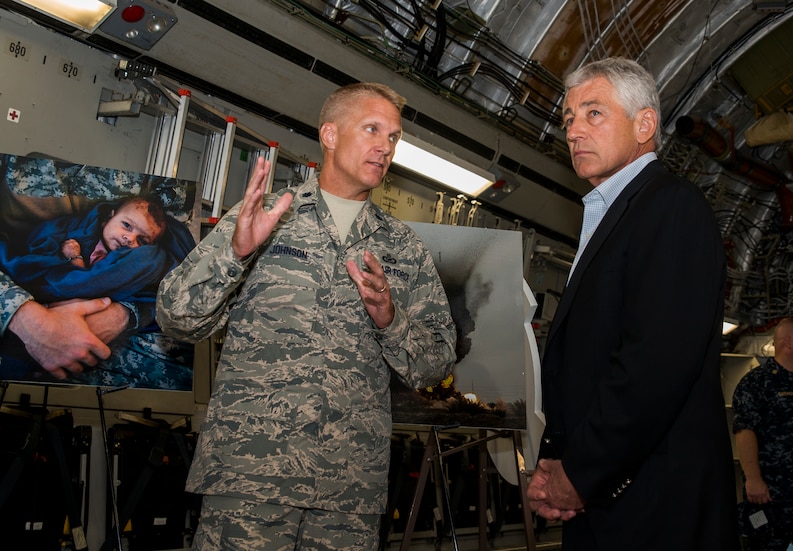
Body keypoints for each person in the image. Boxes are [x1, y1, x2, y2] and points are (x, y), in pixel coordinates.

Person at [155, 82, 457, 550]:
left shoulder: (402, 247)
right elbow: (176, 318)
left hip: (347, 490)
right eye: (372, 129)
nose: (385, 146)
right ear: (330, 135)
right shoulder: (268, 217)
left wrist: (390, 318)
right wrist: (233, 256)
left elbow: (435, 363)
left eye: (394, 137)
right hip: (250, 477)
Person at [525, 57, 739, 550]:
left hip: (654, 510)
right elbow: (588, 363)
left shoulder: (671, 206)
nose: (574, 130)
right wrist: (557, 460)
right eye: (568, 119)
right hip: (610, 502)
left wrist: (581, 474)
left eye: (593, 113)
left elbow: (653, 365)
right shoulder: (613, 215)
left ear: (645, 124)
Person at [0, 195, 195, 382]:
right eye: (126, 226)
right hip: (35, 300)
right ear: (107, 218)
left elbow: (96, 282)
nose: (129, 239)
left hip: (91, 315)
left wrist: (76, 260)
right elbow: (42, 252)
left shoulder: (124, 259)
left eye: (141, 241)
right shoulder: (79, 233)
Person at [732, 317, 793, 550]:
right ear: (788, 343)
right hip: (774, 497)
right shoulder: (757, 383)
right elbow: (745, 430)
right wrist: (753, 478)